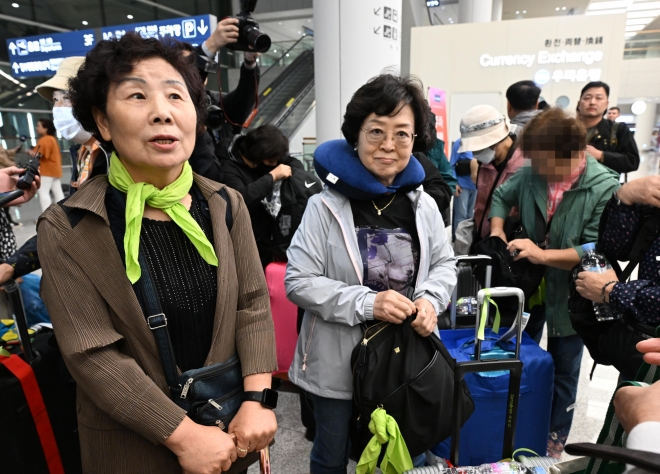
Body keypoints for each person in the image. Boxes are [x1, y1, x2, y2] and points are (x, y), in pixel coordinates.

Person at [37, 32, 277, 474]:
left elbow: (252, 304)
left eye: (175, 95)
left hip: (230, 431)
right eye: (136, 95)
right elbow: (93, 354)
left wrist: (256, 400)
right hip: (132, 446)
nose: (162, 112)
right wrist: (184, 437)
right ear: (102, 122)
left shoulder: (225, 203)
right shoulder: (68, 226)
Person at [286, 74, 456, 473]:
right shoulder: (324, 206)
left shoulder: (423, 204)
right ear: (356, 134)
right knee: (331, 454)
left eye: (402, 134)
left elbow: (446, 264)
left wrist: (431, 299)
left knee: (408, 451)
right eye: (376, 131)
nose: (388, 145)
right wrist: (367, 303)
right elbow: (298, 280)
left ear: (415, 140)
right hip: (339, 360)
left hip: (406, 357)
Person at [489, 107, 621, 458]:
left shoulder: (604, 185)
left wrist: (542, 254)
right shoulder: (534, 172)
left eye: (546, 163)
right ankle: (518, 424)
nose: (539, 171)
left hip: (574, 292)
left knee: (564, 367)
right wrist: (498, 231)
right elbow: (502, 195)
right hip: (531, 286)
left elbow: (596, 246)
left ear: (574, 155)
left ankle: (553, 443)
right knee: (521, 355)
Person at [575, 175, 660, 378]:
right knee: (626, 402)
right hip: (639, 342)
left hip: (649, 348)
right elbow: (618, 248)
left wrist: (612, 292)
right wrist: (624, 198)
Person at [221, 124, 305, 268]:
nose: (275, 164)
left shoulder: (268, 157)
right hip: (243, 243)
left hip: (268, 239)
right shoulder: (228, 167)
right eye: (271, 162)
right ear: (256, 156)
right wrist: (272, 176)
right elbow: (240, 198)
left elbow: (292, 162)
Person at [35, 56, 106, 195]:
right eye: (56, 99)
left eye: (67, 98)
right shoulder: (83, 152)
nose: (58, 107)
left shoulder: (112, 156)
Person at [459, 105, 524, 241]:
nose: (475, 154)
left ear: (495, 141)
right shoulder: (483, 164)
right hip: (484, 237)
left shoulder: (524, 164)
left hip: (512, 240)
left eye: (478, 148)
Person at [577, 81, 639, 174]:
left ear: (606, 104)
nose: (592, 102)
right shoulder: (566, 128)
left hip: (602, 187)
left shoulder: (618, 130)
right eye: (587, 98)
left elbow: (632, 161)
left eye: (598, 98)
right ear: (579, 104)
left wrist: (601, 155)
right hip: (563, 186)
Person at [30, 118, 64, 212]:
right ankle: (63, 213)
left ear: (45, 128)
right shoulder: (53, 139)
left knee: (43, 192)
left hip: (46, 171)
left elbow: (38, 154)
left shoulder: (44, 140)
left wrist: (30, 152)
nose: (36, 128)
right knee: (58, 193)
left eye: (38, 126)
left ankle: (47, 216)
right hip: (55, 170)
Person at [449, 138, 476, 241]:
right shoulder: (459, 143)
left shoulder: (480, 141)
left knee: (471, 217)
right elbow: (451, 165)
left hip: (476, 186)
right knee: (461, 217)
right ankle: (459, 243)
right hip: (462, 185)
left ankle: (468, 243)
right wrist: (454, 183)